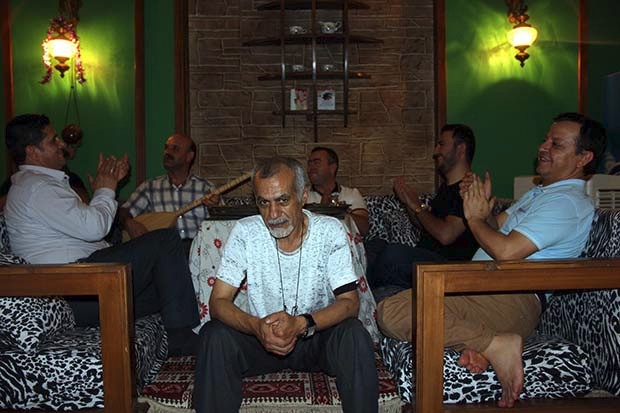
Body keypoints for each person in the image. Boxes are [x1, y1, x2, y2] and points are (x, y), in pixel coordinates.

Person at [377, 112, 607, 408]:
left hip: (511, 298)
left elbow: (506, 252)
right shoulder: (541, 194)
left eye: (557, 144)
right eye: (545, 140)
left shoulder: (567, 203)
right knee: (396, 296)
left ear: (583, 158)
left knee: (391, 311)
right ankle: (480, 341)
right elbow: (496, 228)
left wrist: (474, 219)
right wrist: (482, 211)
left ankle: (498, 343)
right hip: (485, 289)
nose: (543, 147)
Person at [192, 156, 378, 413]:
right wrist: (256, 327)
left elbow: (350, 304)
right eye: (264, 203)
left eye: (283, 200)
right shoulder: (245, 232)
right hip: (262, 339)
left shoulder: (329, 230)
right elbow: (218, 302)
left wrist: (301, 323)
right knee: (214, 334)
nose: (273, 214)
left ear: (303, 196)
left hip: (314, 336)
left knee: (354, 334)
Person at [4, 114, 201, 356]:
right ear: (32, 151)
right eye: (53, 140)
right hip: (76, 290)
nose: (62, 144)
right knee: (165, 240)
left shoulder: (39, 186)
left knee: (170, 276)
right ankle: (181, 339)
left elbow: (87, 228)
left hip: (86, 283)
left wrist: (103, 189)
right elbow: (95, 228)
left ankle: (183, 333)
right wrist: (106, 189)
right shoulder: (36, 188)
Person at [367, 124, 478, 292]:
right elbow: (426, 226)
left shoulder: (469, 189)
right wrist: (408, 203)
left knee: (393, 254)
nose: (435, 151)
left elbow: (446, 235)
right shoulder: (446, 188)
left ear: (461, 149)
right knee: (374, 246)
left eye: (441, 144)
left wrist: (417, 206)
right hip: (426, 259)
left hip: (448, 266)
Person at [118, 133, 219, 247]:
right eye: (166, 148)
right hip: (162, 252)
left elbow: (222, 224)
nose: (167, 152)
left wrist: (215, 207)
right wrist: (128, 222)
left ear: (189, 157)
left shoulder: (206, 188)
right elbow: (123, 212)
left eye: (175, 148)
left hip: (198, 251)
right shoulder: (149, 188)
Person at [306, 146, 369, 236]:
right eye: (309, 163)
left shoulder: (351, 194)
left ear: (332, 168)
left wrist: (336, 211)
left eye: (316, 163)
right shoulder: (301, 195)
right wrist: (323, 210)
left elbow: (364, 229)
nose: (311, 168)